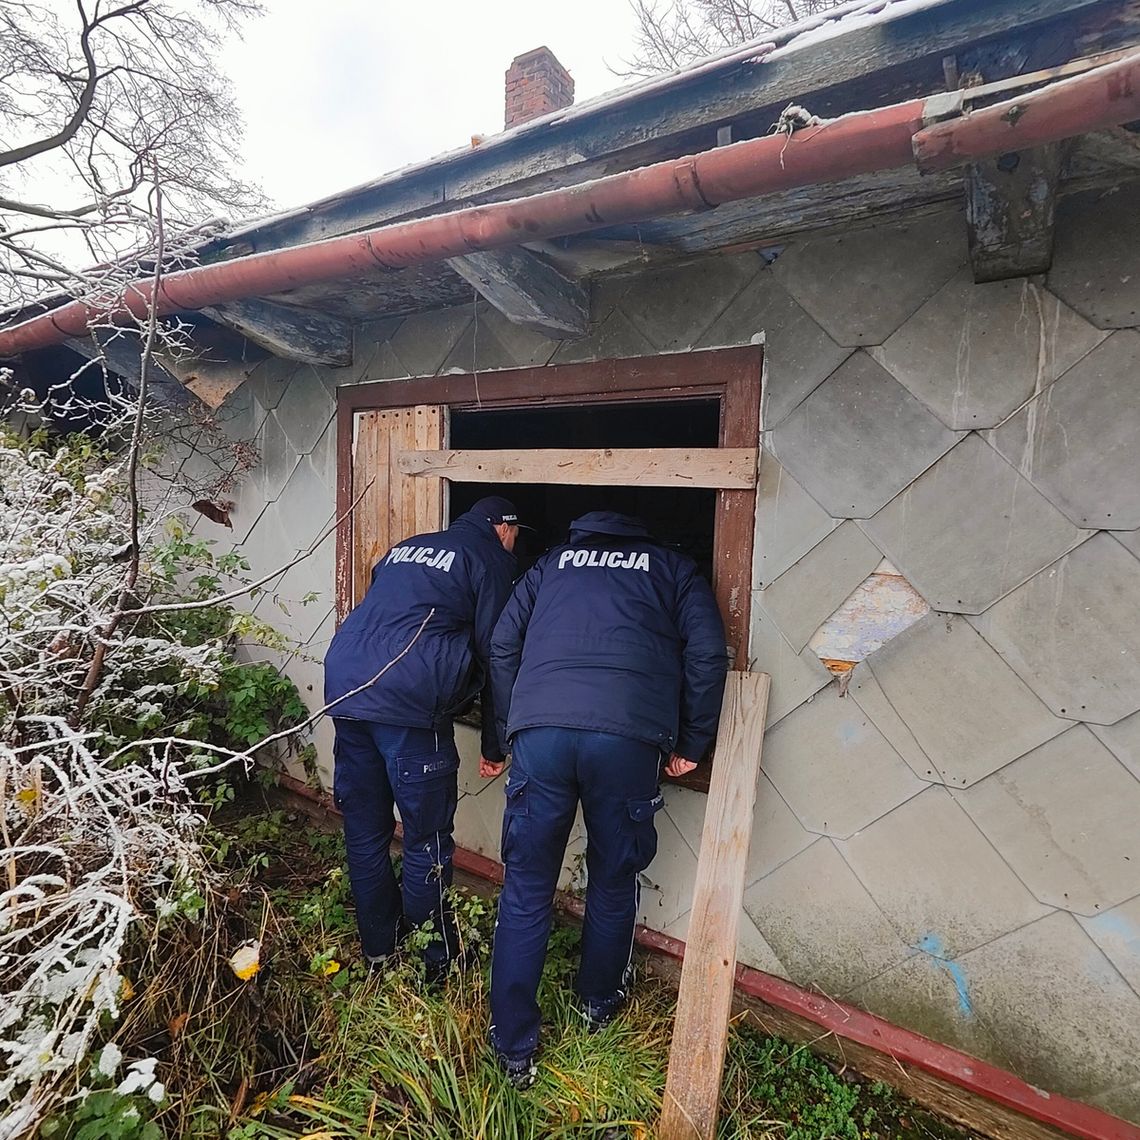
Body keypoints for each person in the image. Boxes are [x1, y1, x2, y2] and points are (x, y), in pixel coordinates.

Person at [486, 510, 728, 1084]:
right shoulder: (672, 567)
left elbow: (501, 646)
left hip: (541, 735)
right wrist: (692, 742)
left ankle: (514, 1045)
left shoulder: (549, 566)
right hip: (626, 740)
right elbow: (707, 655)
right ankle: (596, 1005)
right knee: (614, 879)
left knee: (525, 888)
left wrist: (509, 728)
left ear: (583, 533)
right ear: (638, 533)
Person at [323, 496, 522, 979]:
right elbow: (499, 651)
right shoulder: (491, 559)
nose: (517, 544)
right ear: (502, 528)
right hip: (410, 705)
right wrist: (497, 744)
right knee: (426, 838)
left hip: (347, 687)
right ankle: (434, 963)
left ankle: (379, 951)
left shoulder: (404, 548)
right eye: (518, 534)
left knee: (366, 832)